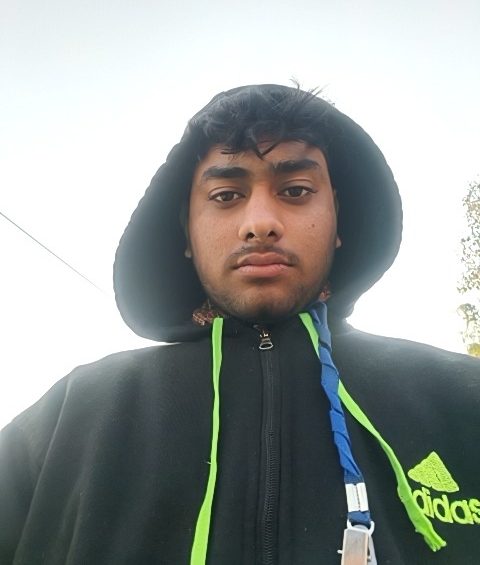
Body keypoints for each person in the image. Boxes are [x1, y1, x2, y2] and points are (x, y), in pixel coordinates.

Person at [1, 84, 479, 565]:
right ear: (186, 230)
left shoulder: (461, 397)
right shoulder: (68, 417)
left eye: (295, 191)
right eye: (226, 195)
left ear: (337, 217)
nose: (260, 223)